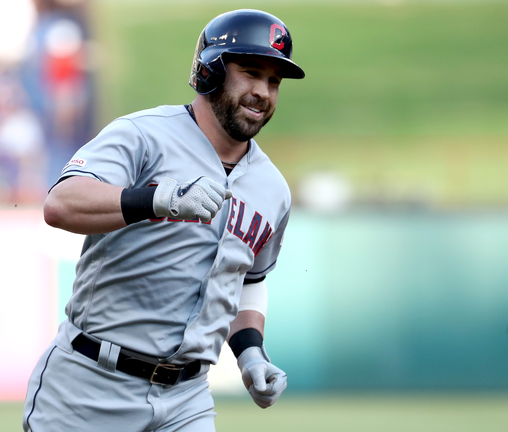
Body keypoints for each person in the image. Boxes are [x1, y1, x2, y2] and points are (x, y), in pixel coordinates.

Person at [22, 9, 305, 432]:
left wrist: (250, 352)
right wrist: (160, 198)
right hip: (91, 384)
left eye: (274, 81)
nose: (262, 91)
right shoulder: (144, 134)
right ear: (210, 71)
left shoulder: (273, 188)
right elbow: (61, 203)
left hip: (187, 396)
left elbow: (248, 280)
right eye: (250, 72)